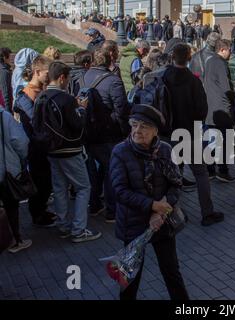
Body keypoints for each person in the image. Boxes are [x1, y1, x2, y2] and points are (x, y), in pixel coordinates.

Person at [110, 104, 189, 301]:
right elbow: (120, 191)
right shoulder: (120, 152)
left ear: (155, 131)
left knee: (172, 272)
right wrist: (152, 206)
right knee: (130, 278)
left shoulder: (164, 150)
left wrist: (161, 211)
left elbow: (176, 184)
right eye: (134, 125)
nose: (137, 131)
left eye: (144, 126)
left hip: (162, 223)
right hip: (133, 224)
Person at [163, 43, 224, 226]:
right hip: (189, 132)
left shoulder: (164, 77)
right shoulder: (193, 81)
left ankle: (173, 212)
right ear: (189, 58)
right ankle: (207, 212)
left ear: (173, 57)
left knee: (172, 174)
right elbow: (201, 110)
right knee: (200, 173)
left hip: (169, 133)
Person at [42, 61, 102, 242]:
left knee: (59, 187)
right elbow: (77, 124)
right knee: (84, 187)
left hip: (51, 150)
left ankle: (63, 224)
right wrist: (81, 109)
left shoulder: (42, 97)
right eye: (67, 79)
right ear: (62, 78)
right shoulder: (66, 99)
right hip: (70, 149)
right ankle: (78, 229)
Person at [83, 49, 130, 222]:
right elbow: (122, 109)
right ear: (110, 60)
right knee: (112, 169)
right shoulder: (113, 81)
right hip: (109, 133)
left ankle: (94, 204)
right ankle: (112, 210)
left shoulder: (82, 77)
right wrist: (125, 131)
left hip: (87, 132)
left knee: (96, 170)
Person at [13, 55, 56, 227]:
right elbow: (35, 122)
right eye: (48, 73)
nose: (50, 77)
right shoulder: (26, 95)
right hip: (35, 148)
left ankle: (41, 210)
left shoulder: (41, 91)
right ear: (37, 72)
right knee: (40, 182)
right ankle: (37, 215)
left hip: (43, 146)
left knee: (45, 183)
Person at [204, 39, 235, 182]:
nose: (231, 53)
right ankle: (223, 171)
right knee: (226, 141)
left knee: (210, 140)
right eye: (230, 50)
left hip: (210, 107)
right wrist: (234, 101)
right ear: (223, 50)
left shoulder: (209, 61)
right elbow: (226, 87)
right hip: (222, 108)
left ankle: (210, 170)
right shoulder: (221, 63)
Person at [0, 107, 31, 253]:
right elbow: (20, 141)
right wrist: (22, 159)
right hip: (6, 171)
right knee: (11, 206)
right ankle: (16, 239)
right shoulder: (4, 117)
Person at [0, 48, 13, 113]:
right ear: (5, 57)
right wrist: (9, 112)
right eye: (10, 57)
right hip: (4, 107)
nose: (11, 59)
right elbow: (5, 92)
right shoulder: (4, 72)